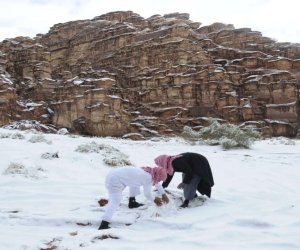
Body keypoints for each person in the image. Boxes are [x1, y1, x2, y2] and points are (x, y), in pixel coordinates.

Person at [98, 166, 169, 230]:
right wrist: (154, 199)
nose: (160, 181)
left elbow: (155, 182)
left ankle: (132, 202)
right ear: (158, 175)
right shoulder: (148, 177)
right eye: (160, 179)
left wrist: (163, 193)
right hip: (115, 179)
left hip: (113, 174)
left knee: (135, 184)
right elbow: (147, 194)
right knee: (115, 201)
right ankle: (104, 223)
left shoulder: (149, 172)